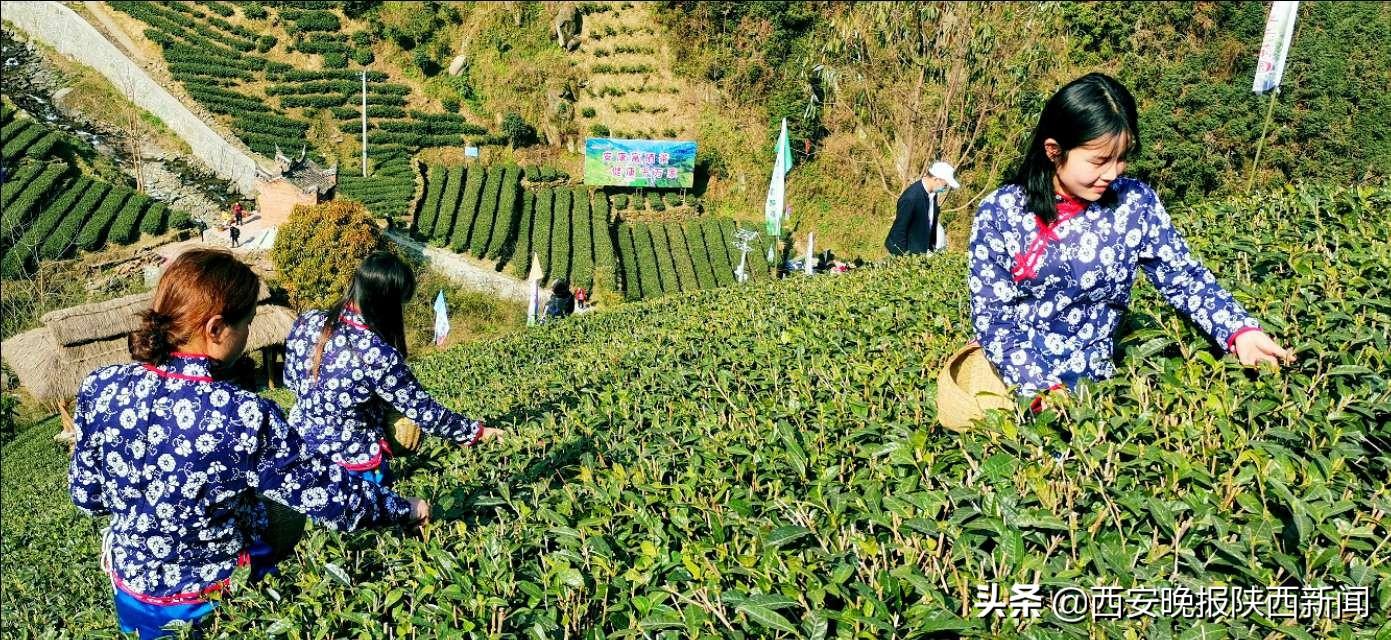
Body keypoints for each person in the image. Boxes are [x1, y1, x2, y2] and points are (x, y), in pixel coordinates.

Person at [69, 249, 428, 639]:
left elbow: (87, 498)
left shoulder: (100, 386)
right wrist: (405, 508)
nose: (247, 336)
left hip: (131, 596)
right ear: (216, 329)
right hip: (215, 603)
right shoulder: (240, 415)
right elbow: (328, 493)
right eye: (247, 323)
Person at [967, 72, 1292, 409]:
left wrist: (1240, 330)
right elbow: (994, 317)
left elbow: (1184, 277)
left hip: (1100, 391)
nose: (1112, 173)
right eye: (1099, 161)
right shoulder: (1001, 213)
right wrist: (1041, 390)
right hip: (1019, 393)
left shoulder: (1133, 203)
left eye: (1121, 158)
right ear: (1054, 151)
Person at [283, 251, 501, 485]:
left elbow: (290, 380)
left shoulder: (308, 320)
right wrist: (476, 432)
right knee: (384, 508)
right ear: (388, 303)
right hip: (351, 463)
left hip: (298, 447)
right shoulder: (376, 353)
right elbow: (423, 410)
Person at [886, 161, 958, 256]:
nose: (945, 189)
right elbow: (898, 232)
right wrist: (904, 259)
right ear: (936, 179)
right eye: (945, 185)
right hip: (909, 254)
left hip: (923, 252)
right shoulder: (911, 198)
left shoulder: (932, 194)